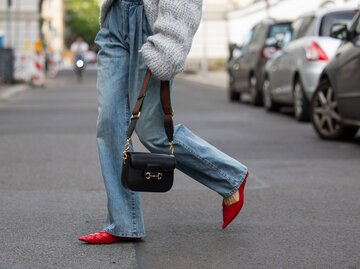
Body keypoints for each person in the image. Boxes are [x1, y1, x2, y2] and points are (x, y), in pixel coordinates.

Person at [78, 0, 249, 244]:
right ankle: (123, 223)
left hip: (149, 21)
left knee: (154, 133)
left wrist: (171, 38)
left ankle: (229, 177)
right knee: (109, 123)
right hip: (113, 20)